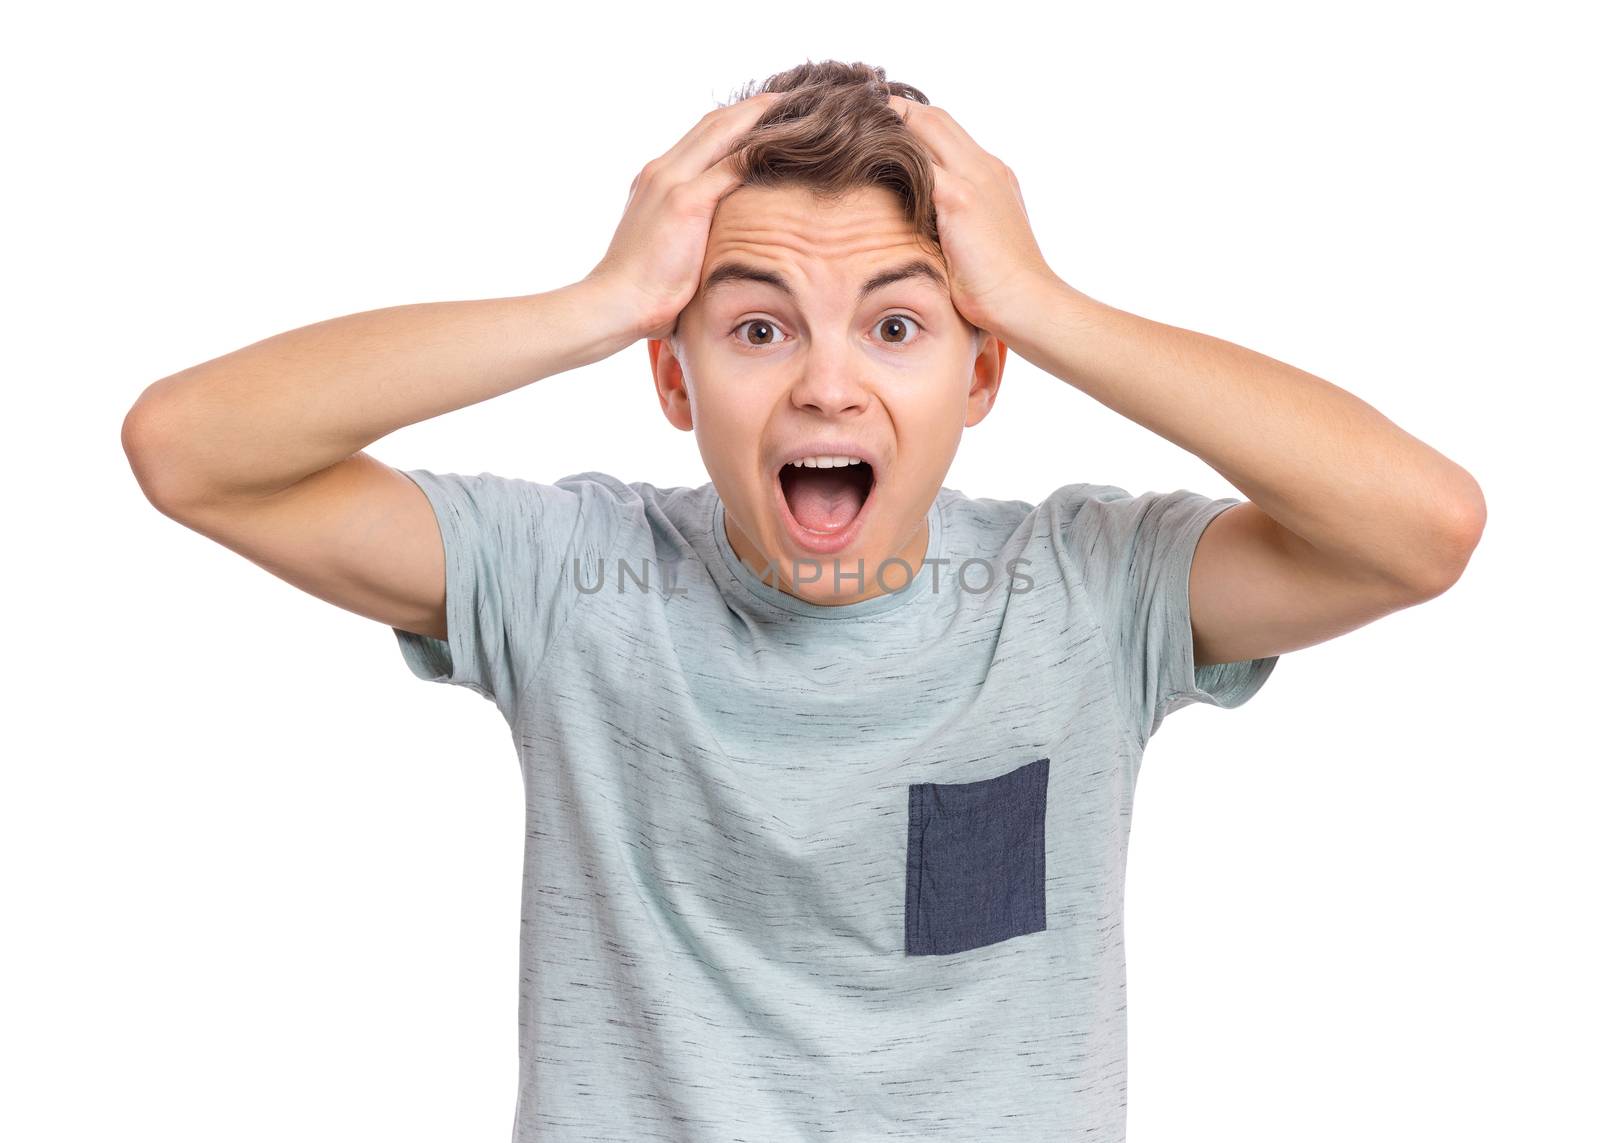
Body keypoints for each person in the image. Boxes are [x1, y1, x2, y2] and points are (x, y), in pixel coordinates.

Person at [121, 59, 1485, 1143]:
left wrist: (1046, 300)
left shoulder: (1084, 595)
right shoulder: (565, 578)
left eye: (896, 326)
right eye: (757, 326)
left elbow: (1419, 531)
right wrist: (595, 302)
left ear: (983, 377)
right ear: (674, 381)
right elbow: (191, 450)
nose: (827, 386)